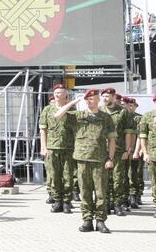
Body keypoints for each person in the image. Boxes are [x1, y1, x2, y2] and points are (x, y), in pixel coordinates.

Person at [54, 89, 116, 233]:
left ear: (98, 100)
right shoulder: (78, 116)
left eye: (93, 99)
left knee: (101, 192)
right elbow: (57, 116)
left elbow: (112, 139)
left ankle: (100, 221)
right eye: (87, 99)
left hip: (100, 160)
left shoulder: (105, 117)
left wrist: (110, 158)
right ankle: (87, 220)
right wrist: (73, 102)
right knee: (85, 192)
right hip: (82, 159)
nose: (90, 101)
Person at [40, 84, 76, 214]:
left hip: (68, 148)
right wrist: (43, 147)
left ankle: (67, 201)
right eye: (55, 92)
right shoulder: (47, 110)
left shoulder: (72, 110)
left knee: (68, 176)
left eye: (60, 93)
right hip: (52, 147)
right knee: (54, 176)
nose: (57, 95)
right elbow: (43, 130)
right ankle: (57, 201)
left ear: (66, 94)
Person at [99, 88, 135, 216]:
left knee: (118, 178)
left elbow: (128, 132)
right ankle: (107, 203)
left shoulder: (123, 112)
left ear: (114, 97)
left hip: (119, 150)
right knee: (104, 178)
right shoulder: (99, 111)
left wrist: (127, 149)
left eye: (107, 96)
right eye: (103, 96)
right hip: (102, 150)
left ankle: (117, 204)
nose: (105, 98)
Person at [135, 96, 156, 217]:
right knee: (155, 181)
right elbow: (143, 137)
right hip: (153, 154)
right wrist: (145, 153)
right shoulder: (147, 116)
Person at [125, 97, 144, 208]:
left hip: (137, 148)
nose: (130, 107)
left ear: (136, 106)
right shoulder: (123, 117)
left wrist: (140, 149)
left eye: (132, 105)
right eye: (129, 105)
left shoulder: (140, 118)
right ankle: (127, 195)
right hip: (126, 149)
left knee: (136, 173)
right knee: (125, 174)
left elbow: (141, 135)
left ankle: (136, 195)